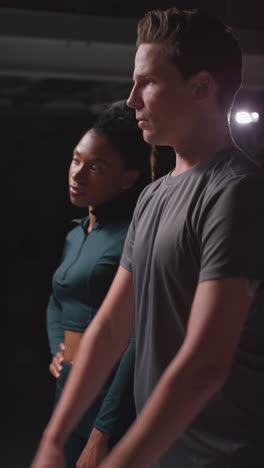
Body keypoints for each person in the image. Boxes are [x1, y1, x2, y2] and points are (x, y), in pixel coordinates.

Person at [31, 8, 264, 468]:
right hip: (165, 455)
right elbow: (113, 326)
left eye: (148, 82)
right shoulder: (154, 195)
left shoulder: (239, 192)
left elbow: (205, 364)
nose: (132, 99)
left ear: (200, 88)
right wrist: (53, 441)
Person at [44, 100, 153, 468]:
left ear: (127, 178)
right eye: (76, 160)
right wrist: (58, 348)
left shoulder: (130, 239)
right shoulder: (77, 234)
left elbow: (136, 337)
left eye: (96, 167)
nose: (77, 174)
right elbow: (57, 300)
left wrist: (102, 431)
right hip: (70, 387)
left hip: (110, 401)